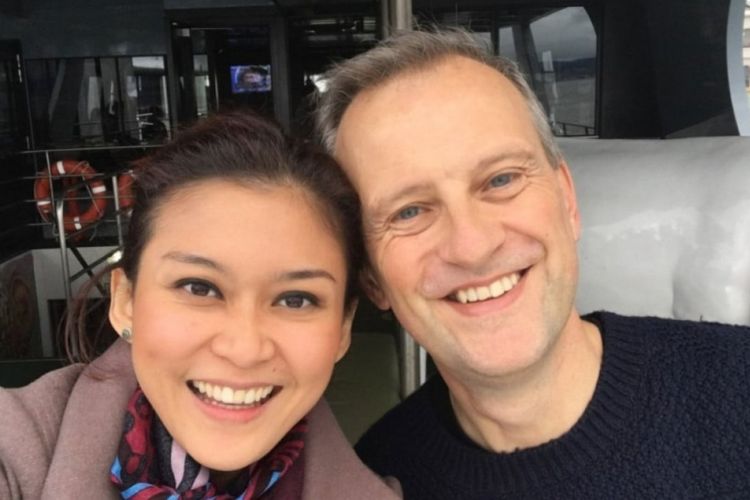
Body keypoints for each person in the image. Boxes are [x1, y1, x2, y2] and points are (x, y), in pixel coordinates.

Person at [314, 28, 750, 499]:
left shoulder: (737, 385)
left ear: (567, 199)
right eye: (409, 212)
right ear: (371, 279)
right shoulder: (371, 482)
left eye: (501, 180)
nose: (472, 246)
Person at [0, 112, 401, 499]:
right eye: (199, 288)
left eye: (295, 299)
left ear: (343, 328)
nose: (244, 349)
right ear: (125, 302)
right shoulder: (18, 446)